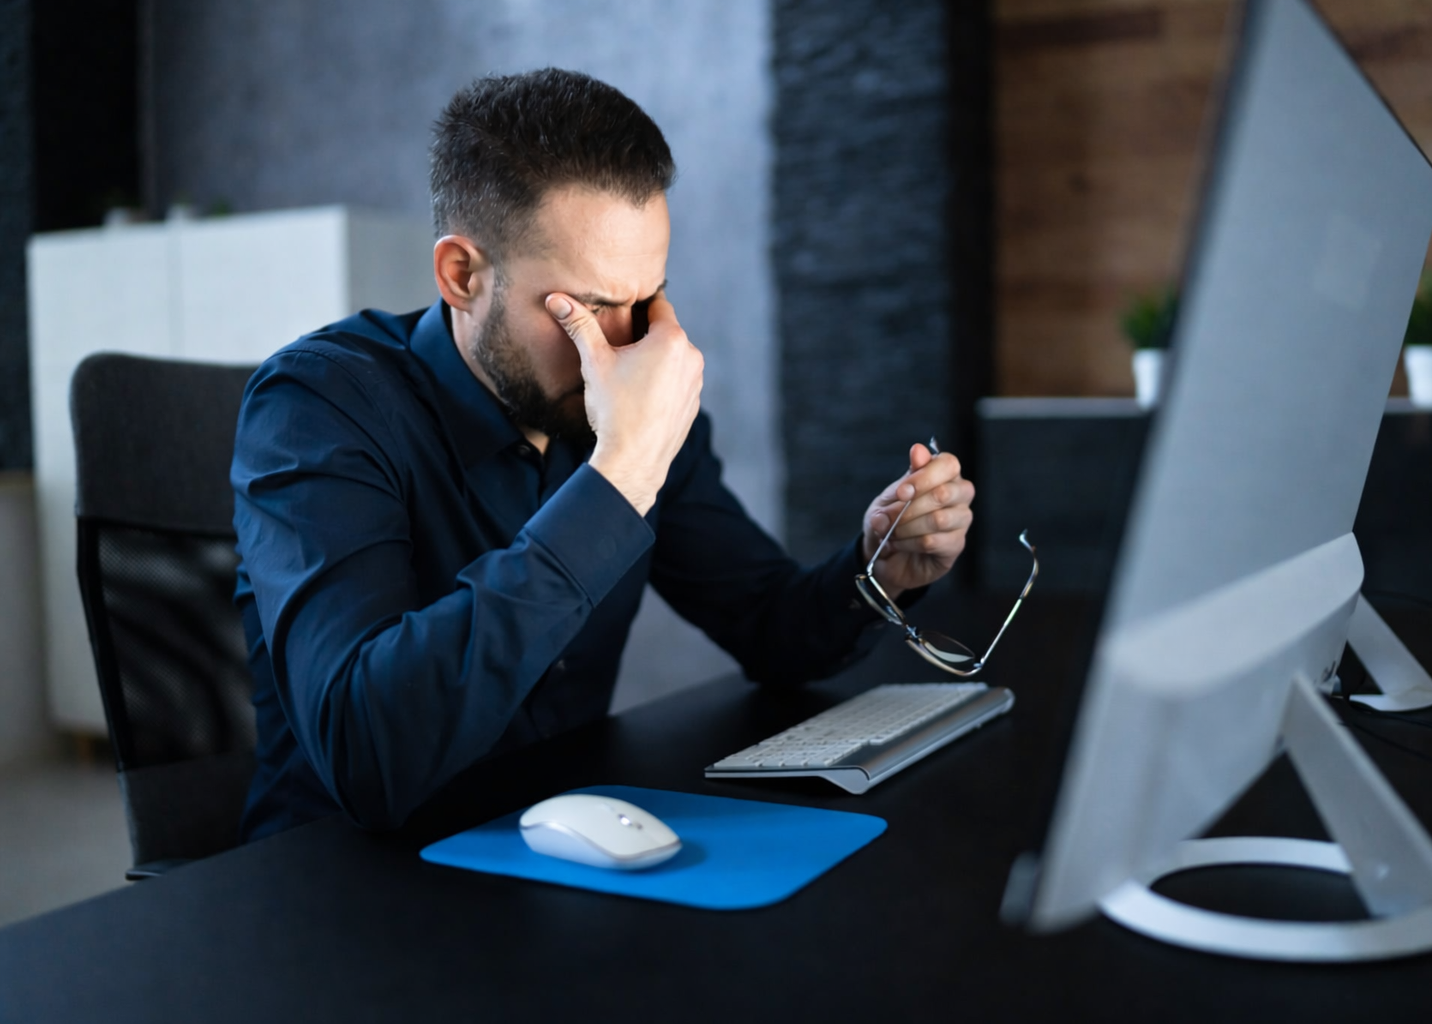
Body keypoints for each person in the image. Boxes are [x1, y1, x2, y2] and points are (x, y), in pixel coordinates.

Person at [231, 68, 976, 842]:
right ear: (461, 275)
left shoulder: (624, 401)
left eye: (643, 300)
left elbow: (769, 627)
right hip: (343, 882)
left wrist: (876, 567)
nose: (621, 349)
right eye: (583, 309)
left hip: (562, 847)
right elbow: (367, 756)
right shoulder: (313, 408)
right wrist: (619, 478)